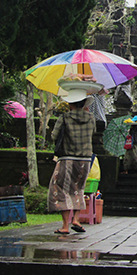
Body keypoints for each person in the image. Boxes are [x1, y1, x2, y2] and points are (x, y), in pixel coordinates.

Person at [49, 85, 99, 235]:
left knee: (62, 189)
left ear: (70, 103)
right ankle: (76, 219)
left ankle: (65, 225)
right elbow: (94, 132)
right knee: (78, 188)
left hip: (67, 158)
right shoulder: (91, 118)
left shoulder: (64, 118)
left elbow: (54, 136)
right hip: (85, 160)